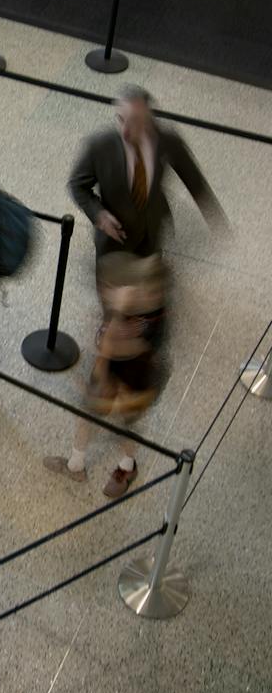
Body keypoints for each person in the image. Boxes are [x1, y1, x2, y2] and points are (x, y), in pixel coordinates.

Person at [45, 254, 168, 499]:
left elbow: (120, 346)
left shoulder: (145, 314)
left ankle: (126, 467)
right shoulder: (139, 303)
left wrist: (102, 362)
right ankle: (75, 465)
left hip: (132, 377)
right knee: (89, 414)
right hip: (116, 370)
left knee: (125, 423)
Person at [68, 86, 225, 261]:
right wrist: (99, 215)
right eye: (120, 119)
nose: (125, 131)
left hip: (151, 232)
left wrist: (217, 222)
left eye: (134, 121)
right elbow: (77, 185)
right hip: (113, 238)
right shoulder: (99, 146)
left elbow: (193, 181)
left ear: (149, 120)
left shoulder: (168, 142)